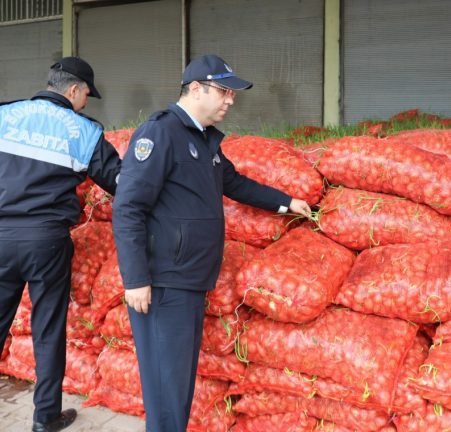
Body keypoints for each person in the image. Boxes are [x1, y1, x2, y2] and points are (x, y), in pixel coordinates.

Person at [112, 54, 312, 432]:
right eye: (224, 91)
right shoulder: (160, 133)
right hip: (162, 283)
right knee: (166, 388)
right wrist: (135, 278)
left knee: (178, 383)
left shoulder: (203, 141)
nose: (230, 100)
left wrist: (286, 202)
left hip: (189, 279)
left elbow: (234, 183)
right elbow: (128, 207)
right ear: (196, 89)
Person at [0, 57, 121, 432]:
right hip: (47, 241)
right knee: (48, 329)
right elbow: (121, 183)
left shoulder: (2, 117)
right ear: (75, 90)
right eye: (85, 97)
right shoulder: (84, 131)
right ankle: (45, 419)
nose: (85, 104)